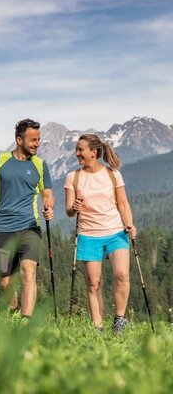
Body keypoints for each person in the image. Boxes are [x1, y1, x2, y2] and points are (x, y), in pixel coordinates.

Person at [0, 119, 54, 322]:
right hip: (4, 228)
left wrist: (48, 207)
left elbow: (48, 195)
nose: (37, 144)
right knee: (5, 282)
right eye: (33, 140)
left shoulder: (40, 165)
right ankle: (14, 312)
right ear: (19, 139)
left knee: (29, 271)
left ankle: (25, 321)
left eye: (39, 139)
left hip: (30, 227)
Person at [64, 133, 137, 333]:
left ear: (94, 152)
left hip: (115, 232)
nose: (77, 153)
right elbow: (69, 211)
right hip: (88, 234)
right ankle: (97, 327)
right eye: (77, 149)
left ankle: (119, 321)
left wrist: (129, 224)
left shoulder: (113, 174)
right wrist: (74, 207)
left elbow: (122, 203)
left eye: (81, 149)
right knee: (94, 283)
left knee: (122, 275)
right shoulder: (73, 177)